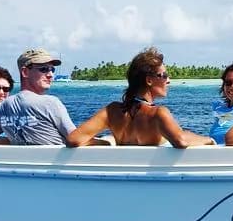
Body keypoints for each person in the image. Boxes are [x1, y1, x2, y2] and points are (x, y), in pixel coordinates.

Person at [67, 47, 215, 148]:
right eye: (164, 75)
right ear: (149, 80)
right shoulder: (158, 114)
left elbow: (73, 139)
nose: (168, 80)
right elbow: (181, 140)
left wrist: (105, 144)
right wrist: (209, 140)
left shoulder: (111, 111)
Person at [0, 47, 75, 145]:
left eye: (52, 69)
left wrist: (10, 141)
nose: (50, 75)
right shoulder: (51, 103)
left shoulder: (0, 108)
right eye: (44, 69)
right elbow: (75, 139)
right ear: (25, 72)